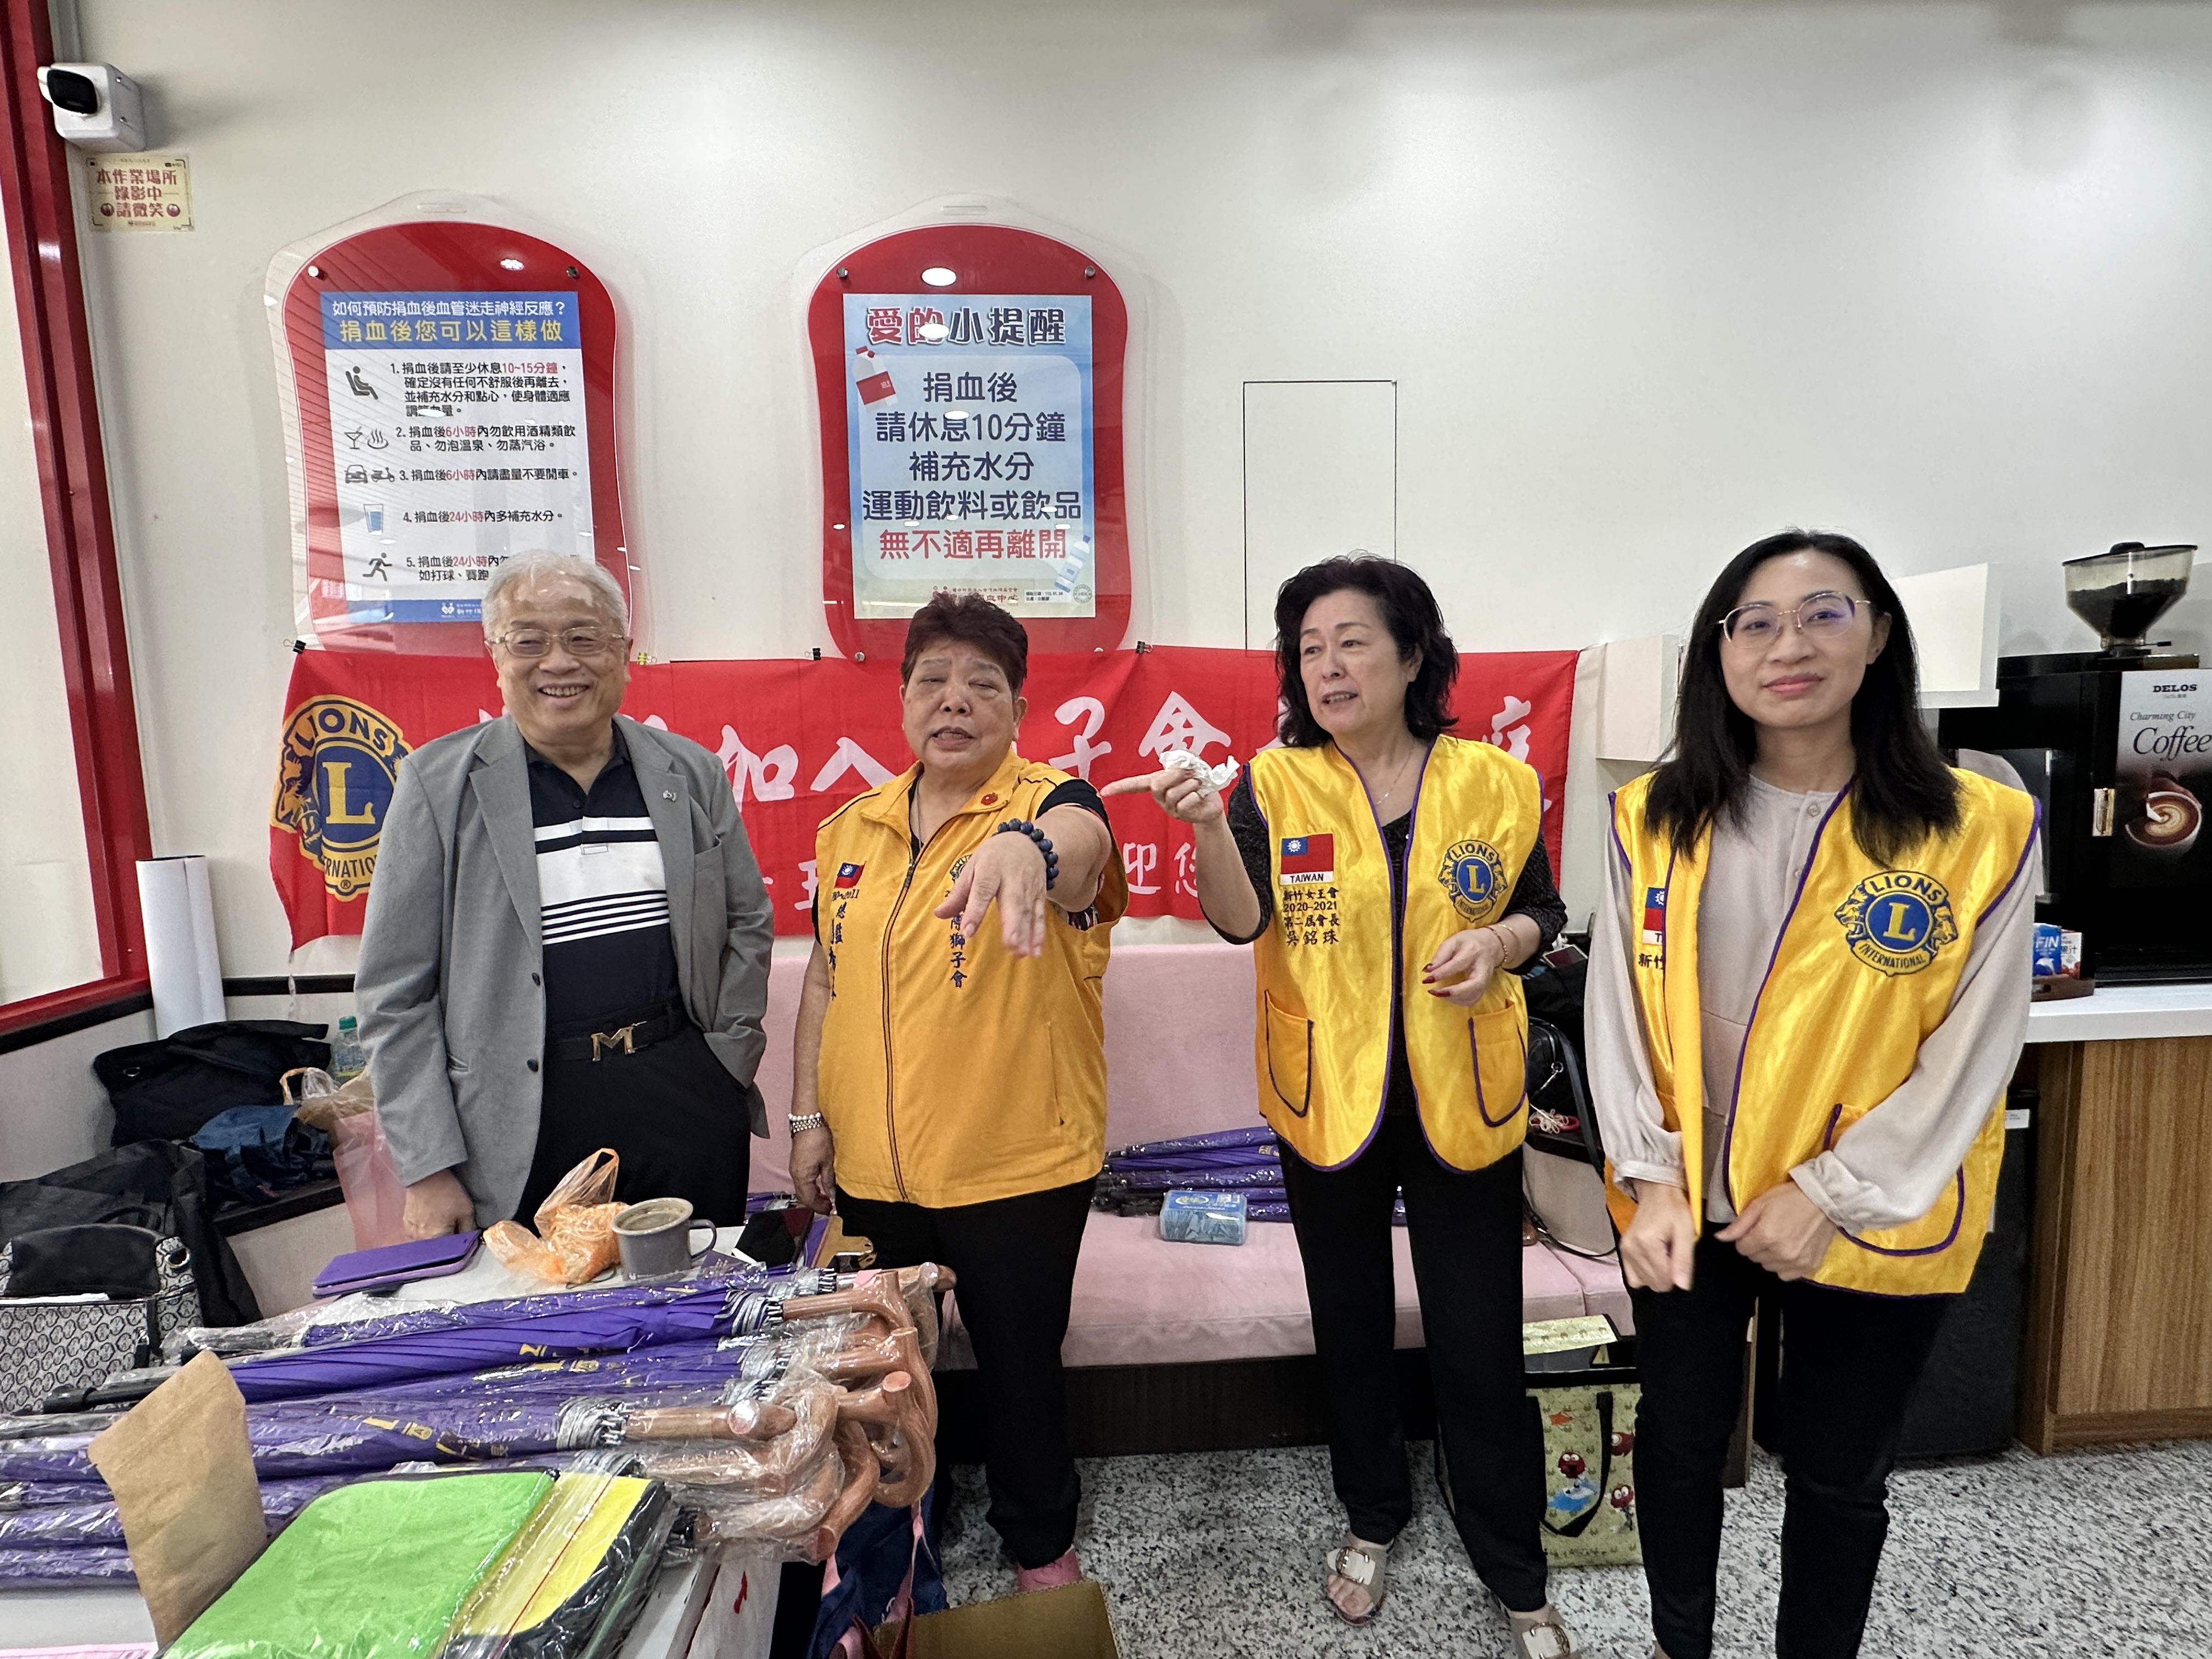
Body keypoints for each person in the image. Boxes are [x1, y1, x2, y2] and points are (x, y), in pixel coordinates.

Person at [1109, 556, 1579, 1658]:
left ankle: (1513, 1563)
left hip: (1465, 1092)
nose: (1327, 665)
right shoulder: (1274, 783)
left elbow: (1545, 912)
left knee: (1479, 1337)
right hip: (1327, 1096)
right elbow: (1239, 923)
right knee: (1352, 1323)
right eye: (1309, 648)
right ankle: (1373, 1514)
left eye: (1351, 641)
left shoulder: (1497, 783)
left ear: (1413, 655)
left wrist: (1499, 941)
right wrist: (1206, 827)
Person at [1585, 531, 2038, 1659]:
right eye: (1755, 622)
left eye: (1822, 613)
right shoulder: (1652, 815)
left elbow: (1978, 1044)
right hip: (1684, 1202)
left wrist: (1829, 1192)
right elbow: (1619, 1009)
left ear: (1878, 635)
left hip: (1870, 1204)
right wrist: (1648, 1174)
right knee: (1680, 1444)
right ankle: (1679, 1644)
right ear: (1719, 653)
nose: (1787, 645)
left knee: (1839, 1476)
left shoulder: (1978, 825)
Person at [788, 591, 1126, 1591]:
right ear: (901, 699)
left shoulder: (1056, 802)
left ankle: (1041, 1547)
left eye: (983, 683)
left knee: (1021, 1369)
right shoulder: (851, 828)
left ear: (1018, 708)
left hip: (1017, 1163)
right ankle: (897, 1540)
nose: (955, 699)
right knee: (883, 1371)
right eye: (932, 679)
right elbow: (825, 980)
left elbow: (1081, 852)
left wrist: (1028, 847)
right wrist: (808, 1119)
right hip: (875, 1167)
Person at [357, 550, 773, 1235]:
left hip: (684, 1096)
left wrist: (727, 1061)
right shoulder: (437, 785)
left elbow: (746, 921)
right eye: (529, 641)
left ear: (624, 653)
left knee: (698, 1291)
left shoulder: (691, 773)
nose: (559, 662)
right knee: (542, 1305)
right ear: (496, 656)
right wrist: (428, 1165)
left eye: (584, 637)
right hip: (521, 1120)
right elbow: (394, 992)